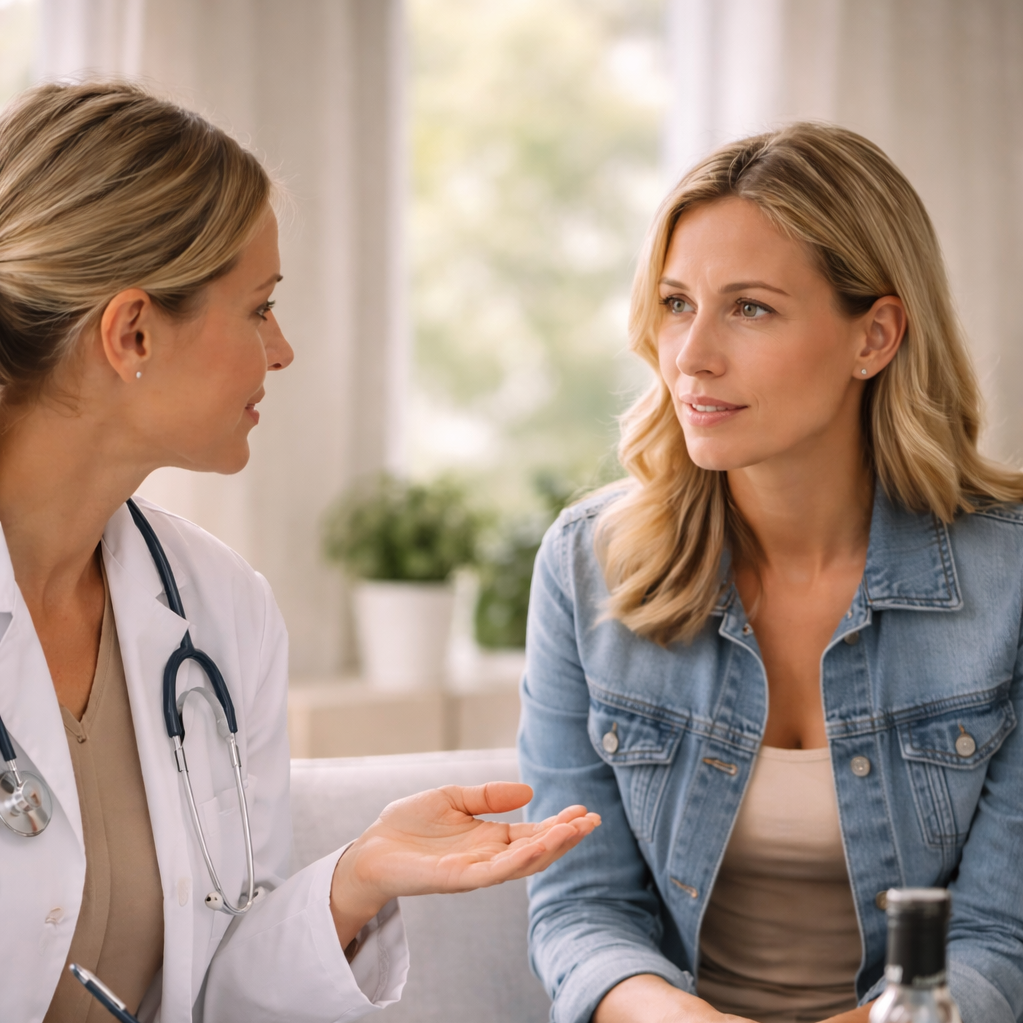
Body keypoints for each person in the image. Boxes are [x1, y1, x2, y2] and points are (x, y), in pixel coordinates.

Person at [0, 81, 600, 1023]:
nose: (281, 351)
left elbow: (216, 994)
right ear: (134, 333)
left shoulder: (217, 607)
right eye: (258, 308)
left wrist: (353, 879)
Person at [518, 122, 1023, 1023]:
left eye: (748, 307)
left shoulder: (1010, 578)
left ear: (874, 337)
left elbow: (1002, 937)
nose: (691, 355)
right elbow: (580, 906)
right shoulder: (584, 565)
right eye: (676, 303)